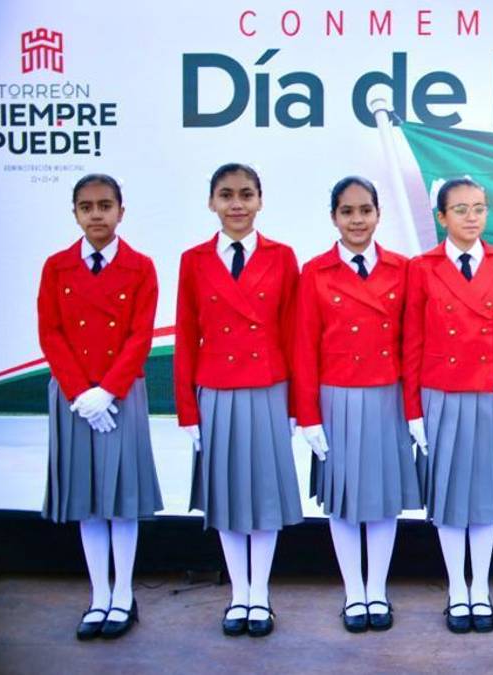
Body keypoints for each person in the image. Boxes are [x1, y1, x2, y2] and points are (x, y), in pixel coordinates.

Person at [174, 163, 303, 637]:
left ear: (260, 201)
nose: (236, 204)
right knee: (227, 498)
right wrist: (188, 410)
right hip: (217, 390)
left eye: (246, 194)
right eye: (226, 195)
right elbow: (186, 336)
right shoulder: (193, 260)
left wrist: (296, 406)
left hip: (268, 388)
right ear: (211, 202)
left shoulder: (282, 257)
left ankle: (260, 594)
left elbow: (293, 333)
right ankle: (238, 593)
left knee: (264, 496)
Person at [402, 178, 493, 634]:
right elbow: (412, 343)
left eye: (479, 208)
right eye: (460, 209)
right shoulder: (422, 267)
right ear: (441, 217)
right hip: (441, 393)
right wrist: (413, 410)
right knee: (449, 497)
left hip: (490, 393)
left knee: (484, 497)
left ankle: (482, 588)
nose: (472, 217)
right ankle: (458, 588)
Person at [38, 174, 163, 640]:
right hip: (74, 398)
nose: (96, 214)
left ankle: (124, 595)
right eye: (86, 206)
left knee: (121, 501)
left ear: (120, 211)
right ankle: (98, 595)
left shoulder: (140, 267)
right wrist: (79, 393)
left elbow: (140, 335)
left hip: (121, 395)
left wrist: (107, 392)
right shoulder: (56, 267)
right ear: (75, 213)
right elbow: (50, 332)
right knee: (88, 501)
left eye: (105, 205)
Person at [294, 176, 421, 632]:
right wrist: (308, 416)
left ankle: (377, 590)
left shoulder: (402, 269)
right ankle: (353, 592)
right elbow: (304, 347)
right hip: (337, 399)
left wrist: (413, 410)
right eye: (347, 211)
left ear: (378, 214)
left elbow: (412, 345)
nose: (357, 220)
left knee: (384, 500)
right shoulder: (315, 271)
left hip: (387, 396)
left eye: (365, 210)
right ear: (333, 217)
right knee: (343, 500)